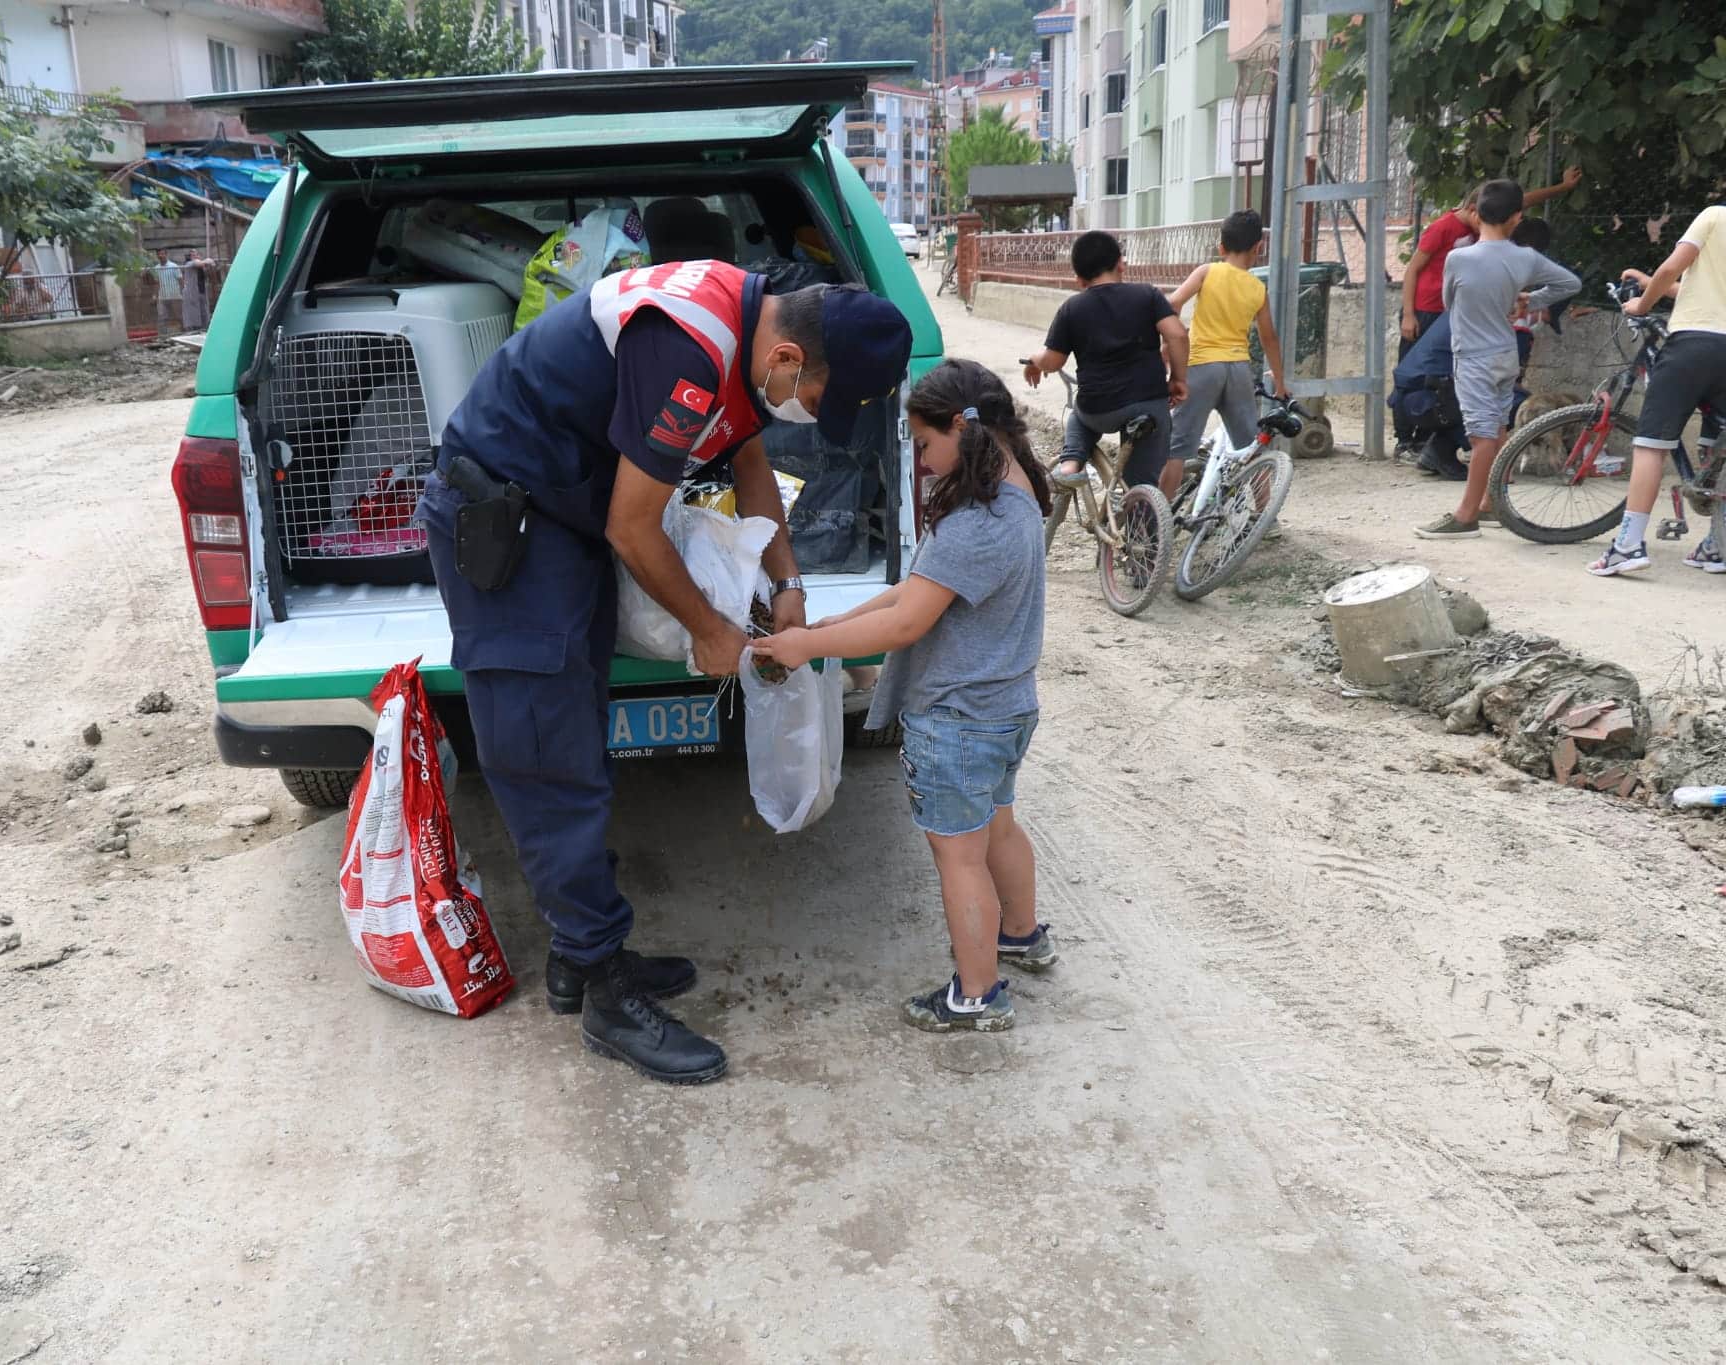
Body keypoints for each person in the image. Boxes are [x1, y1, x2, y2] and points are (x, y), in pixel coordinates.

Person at [416, 260, 912, 1085]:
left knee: (577, 730)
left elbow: (751, 469)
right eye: (818, 401)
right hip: (504, 514)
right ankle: (603, 989)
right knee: (543, 746)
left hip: (562, 513)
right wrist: (710, 629)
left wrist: (787, 583)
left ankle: (582, 956)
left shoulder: (754, 328)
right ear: (790, 360)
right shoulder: (693, 342)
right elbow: (631, 526)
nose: (808, 416)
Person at [751, 359, 1051, 1033]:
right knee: (998, 823)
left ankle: (976, 995)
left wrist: (807, 645)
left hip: (957, 720)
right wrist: (840, 622)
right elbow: (918, 590)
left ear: (960, 429)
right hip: (1006, 707)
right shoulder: (1018, 489)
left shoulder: (973, 525)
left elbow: (911, 621)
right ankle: (1023, 934)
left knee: (959, 856)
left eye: (923, 443)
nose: (919, 459)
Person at [1413, 180, 1579, 540]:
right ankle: (1490, 503)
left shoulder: (1459, 259)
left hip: (1473, 358)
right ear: (1517, 217)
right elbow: (1570, 284)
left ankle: (1465, 515)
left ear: (1476, 212)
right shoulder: (1526, 258)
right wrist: (1528, 301)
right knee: (1498, 429)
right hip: (1506, 355)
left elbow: (1449, 301)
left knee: (1482, 439)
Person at [1397, 167, 1582, 453]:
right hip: (1433, 314)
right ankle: (1410, 442)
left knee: (1487, 421)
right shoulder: (1448, 234)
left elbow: (1518, 202)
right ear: (1475, 211)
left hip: (1461, 317)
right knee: (1484, 424)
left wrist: (1561, 187)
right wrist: (1409, 313)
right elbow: (1415, 270)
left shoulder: (1478, 246)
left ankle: (1483, 486)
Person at [1587, 202, 1726, 576]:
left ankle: (1628, 546)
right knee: (1720, 444)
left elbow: (1671, 267)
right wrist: (1654, 286)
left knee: (1651, 445)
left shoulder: (1715, 216)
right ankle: (1719, 544)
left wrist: (1642, 303)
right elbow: (1704, 290)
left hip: (1693, 345)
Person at [1021, 230, 1189, 490]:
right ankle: (1143, 514)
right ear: (1120, 263)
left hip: (1100, 408)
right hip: (1149, 405)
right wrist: (1178, 379)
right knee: (1142, 484)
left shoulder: (1072, 308)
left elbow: (1052, 362)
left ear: (1078, 278)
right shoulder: (1148, 295)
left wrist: (1034, 359)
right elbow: (1177, 335)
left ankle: (1070, 466)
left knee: (1078, 417)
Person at [1164, 209, 1290, 499]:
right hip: (1238, 371)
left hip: (1202, 367)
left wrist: (1168, 345)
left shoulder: (1208, 271)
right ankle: (1264, 519)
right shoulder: (1258, 288)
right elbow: (1269, 337)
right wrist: (1280, 383)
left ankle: (1154, 522)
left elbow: (1174, 302)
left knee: (1177, 450)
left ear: (1221, 247)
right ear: (1259, 248)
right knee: (1250, 449)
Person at [153, 250, 182, 333]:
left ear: (166, 254)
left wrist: (183, 292)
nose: (161, 256)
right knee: (162, 317)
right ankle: (163, 336)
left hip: (175, 295)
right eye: (159, 254)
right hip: (162, 296)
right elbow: (156, 283)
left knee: (179, 316)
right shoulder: (156, 268)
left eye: (162, 254)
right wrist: (155, 295)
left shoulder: (173, 266)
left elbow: (180, 280)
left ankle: (184, 333)